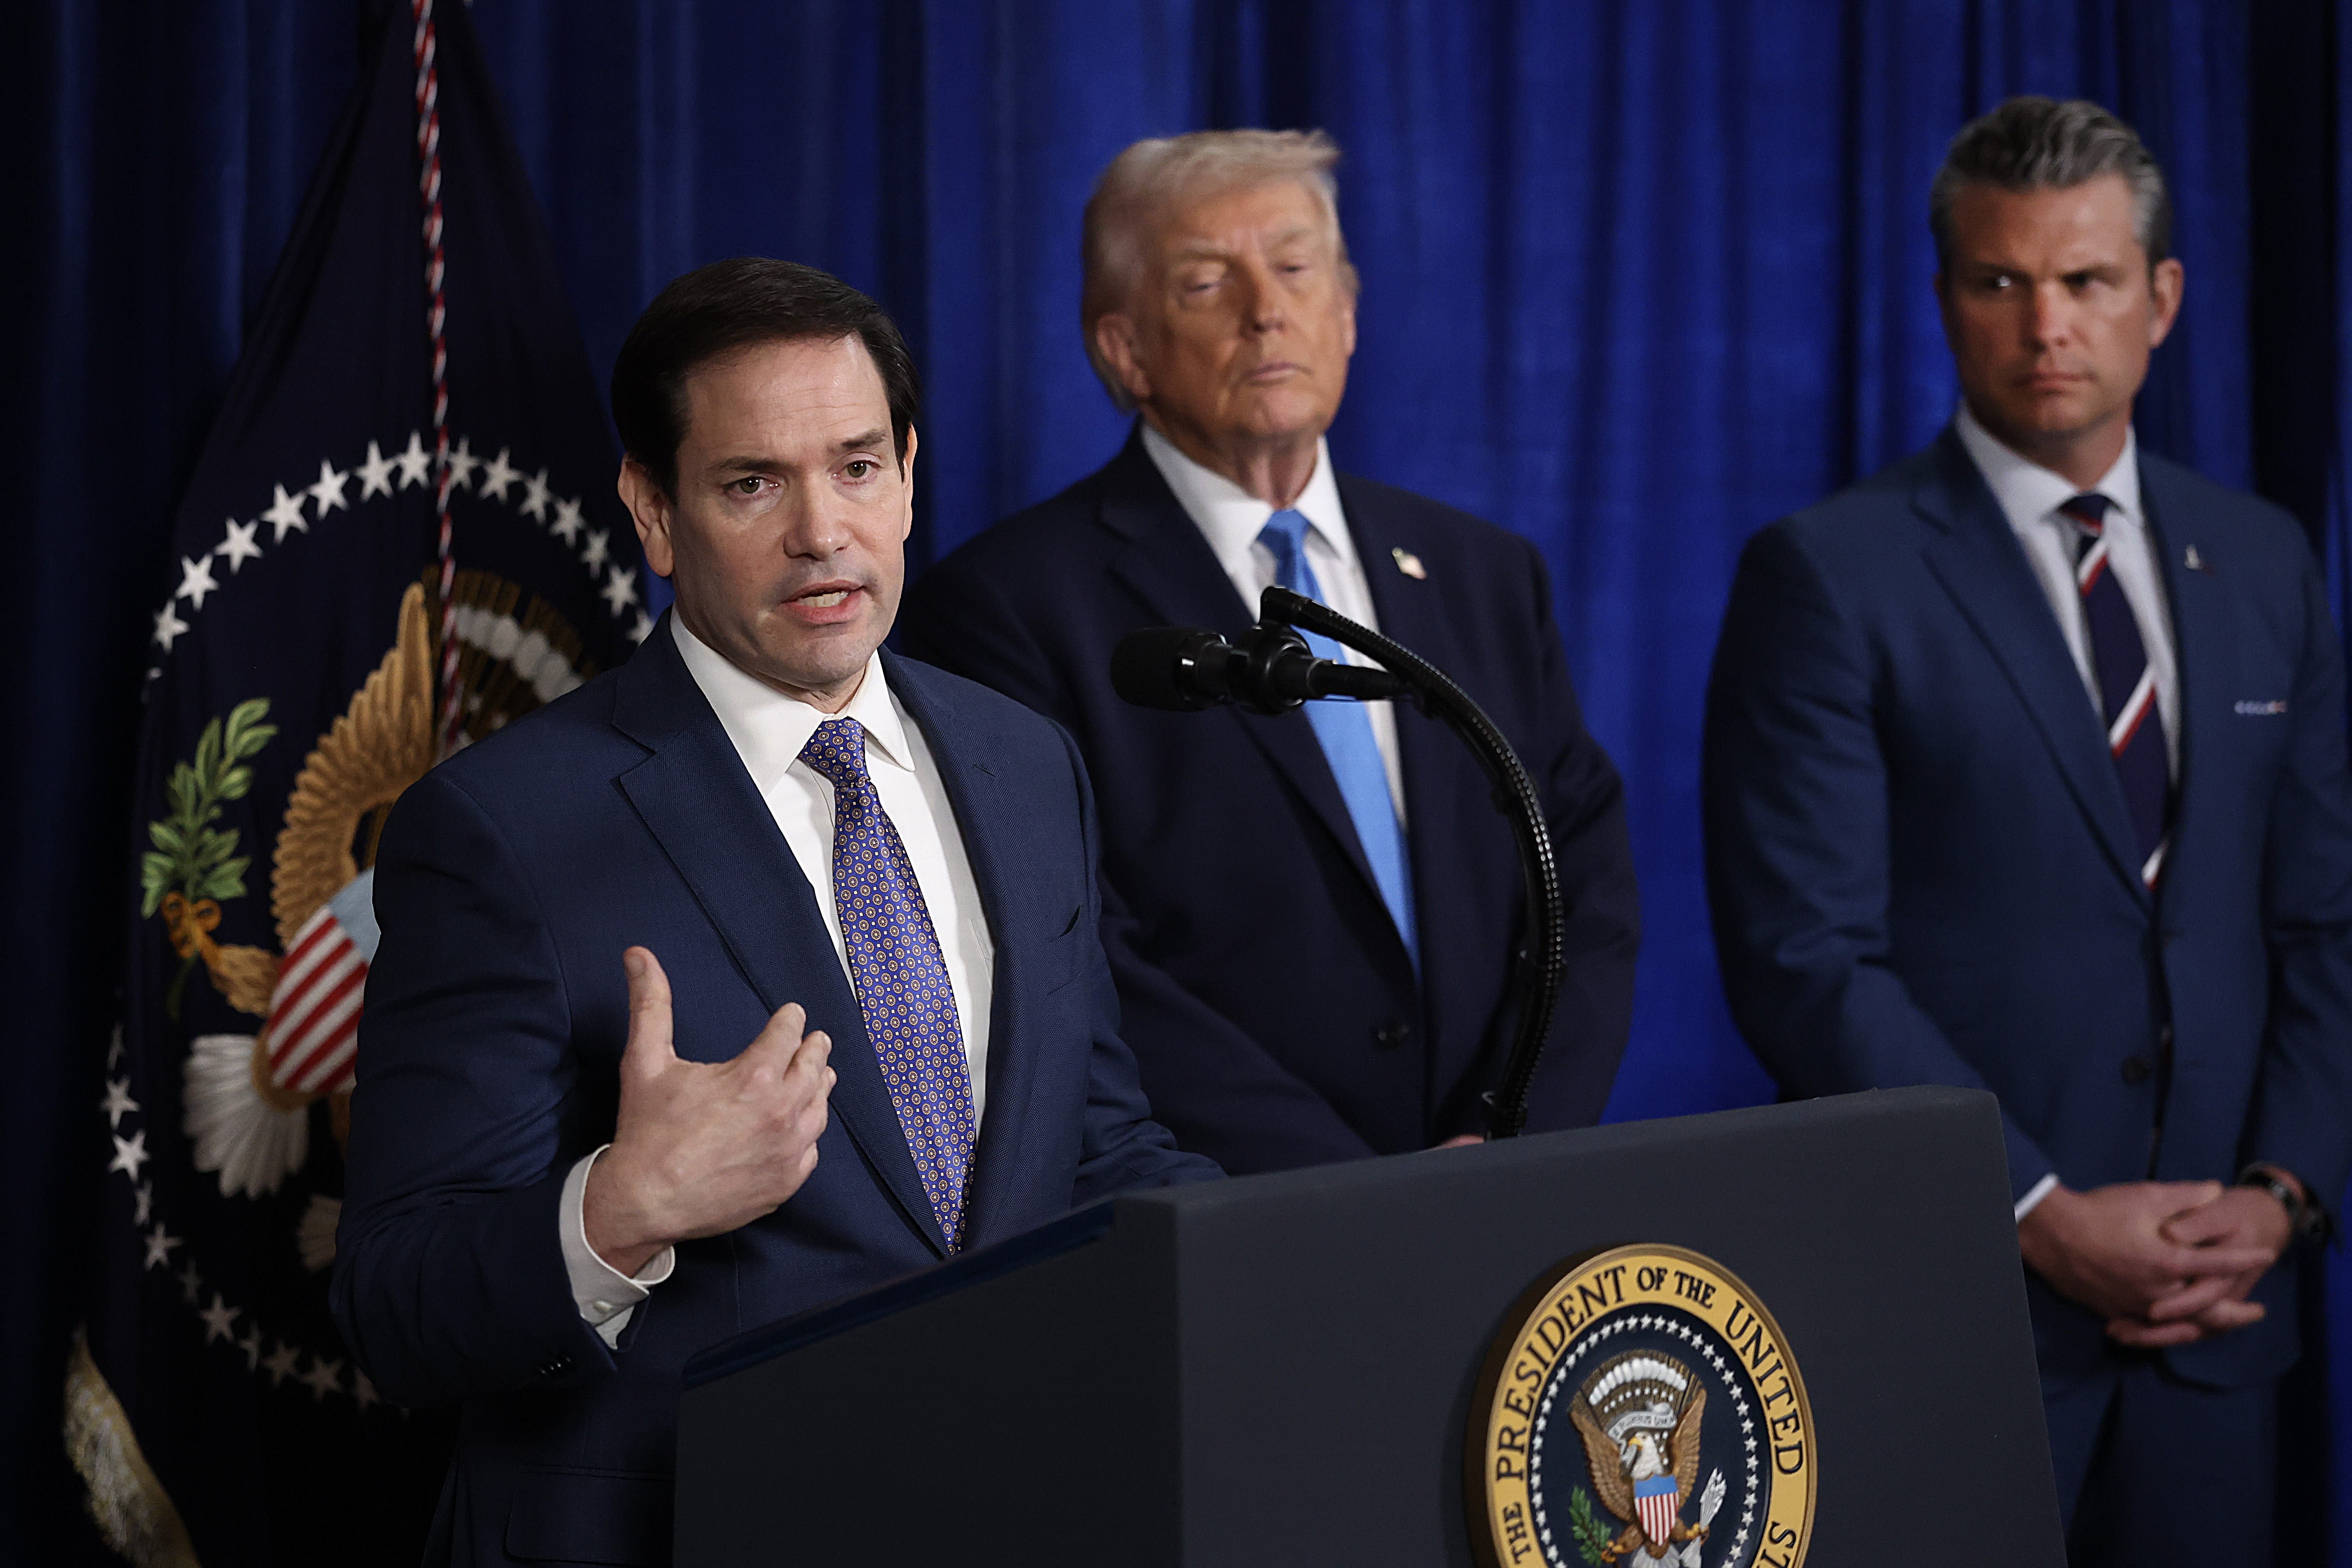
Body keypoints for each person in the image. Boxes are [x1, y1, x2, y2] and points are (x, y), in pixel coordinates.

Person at [331, 257, 1219, 1568]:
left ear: (909, 473)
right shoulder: (501, 832)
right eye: (754, 483)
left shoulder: (1023, 762)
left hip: (1018, 1510)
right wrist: (620, 1208)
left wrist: (1320, 1247)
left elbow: (1092, 1143)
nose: (823, 533)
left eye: (858, 466)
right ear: (652, 508)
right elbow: (393, 1308)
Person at [1702, 97, 2352, 1564]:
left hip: (2218, 1321)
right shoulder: (1826, 574)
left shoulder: (2258, 554)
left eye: (2083, 281)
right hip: (1961, 1315)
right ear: (1943, 301)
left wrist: (2278, 1193)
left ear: (2159, 299)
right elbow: (1801, 953)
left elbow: (2319, 917)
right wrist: (2036, 1205)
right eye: (1998, 281)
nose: (2042, 323)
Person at [898, 130, 1640, 1174]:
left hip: (1494, 1193)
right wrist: (1346, 1190)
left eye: (1295, 267)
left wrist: (1505, 1133)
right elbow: (1074, 956)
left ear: (1346, 307)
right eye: (1206, 282)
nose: (1265, 307)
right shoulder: (1003, 610)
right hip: (1226, 1217)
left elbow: (1582, 880)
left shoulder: (1482, 574)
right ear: (1124, 348)